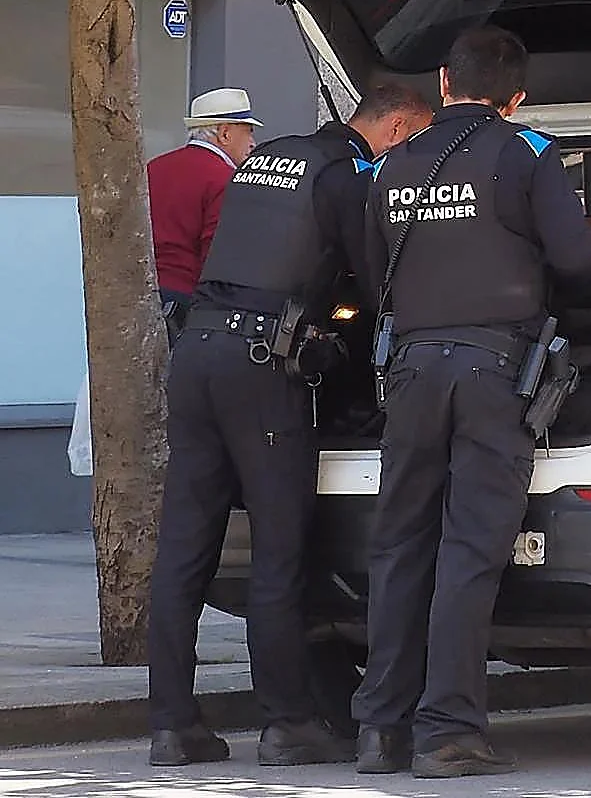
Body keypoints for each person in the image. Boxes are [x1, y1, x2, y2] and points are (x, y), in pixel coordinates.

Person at [145, 74, 433, 768]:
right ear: (396, 129)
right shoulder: (345, 177)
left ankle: (173, 727)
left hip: (197, 353)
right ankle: (287, 723)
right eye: (414, 143)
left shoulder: (267, 157)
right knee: (279, 551)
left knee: (183, 549)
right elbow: (378, 281)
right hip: (260, 367)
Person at [352, 25, 591, 779]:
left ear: (444, 82)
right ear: (515, 97)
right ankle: (448, 732)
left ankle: (380, 731)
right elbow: (577, 266)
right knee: (468, 550)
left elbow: (371, 277)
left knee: (399, 546)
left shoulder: (392, 163)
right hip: (492, 372)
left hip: (408, 372)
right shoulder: (526, 153)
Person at [149, 88, 261, 317]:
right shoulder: (226, 178)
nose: (253, 143)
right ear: (225, 134)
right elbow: (218, 256)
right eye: (248, 132)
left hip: (142, 293)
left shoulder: (153, 167)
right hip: (187, 302)